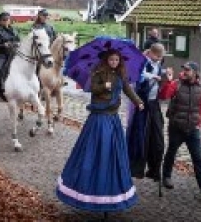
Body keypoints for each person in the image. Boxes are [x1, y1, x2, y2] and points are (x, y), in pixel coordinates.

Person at [56, 49, 144, 213]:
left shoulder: (120, 75)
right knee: (96, 150)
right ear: (106, 60)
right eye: (111, 60)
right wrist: (104, 86)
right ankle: (88, 188)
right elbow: (91, 88)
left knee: (113, 152)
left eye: (117, 60)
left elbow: (127, 89)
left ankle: (111, 191)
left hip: (113, 118)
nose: (114, 63)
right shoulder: (97, 71)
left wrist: (138, 101)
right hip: (99, 117)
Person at [158, 61, 201, 198]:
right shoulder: (176, 84)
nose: (185, 72)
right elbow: (163, 96)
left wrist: (199, 122)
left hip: (193, 129)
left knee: (198, 159)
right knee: (171, 152)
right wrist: (167, 82)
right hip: (176, 127)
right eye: (184, 69)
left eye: (188, 70)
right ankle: (166, 176)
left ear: (195, 73)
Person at [129, 43, 166, 181]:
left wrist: (164, 75)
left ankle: (154, 169)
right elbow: (138, 76)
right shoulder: (143, 62)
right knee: (140, 136)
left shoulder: (158, 64)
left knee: (157, 137)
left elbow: (160, 76)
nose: (159, 58)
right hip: (143, 104)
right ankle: (136, 168)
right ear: (151, 53)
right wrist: (153, 77)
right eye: (157, 56)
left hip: (154, 103)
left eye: (161, 56)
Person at [0, 11, 20, 102]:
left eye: (8, 19)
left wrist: (17, 43)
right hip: (1, 55)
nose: (6, 21)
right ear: (1, 21)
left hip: (13, 54)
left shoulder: (14, 30)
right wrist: (3, 45)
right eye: (4, 20)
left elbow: (19, 40)